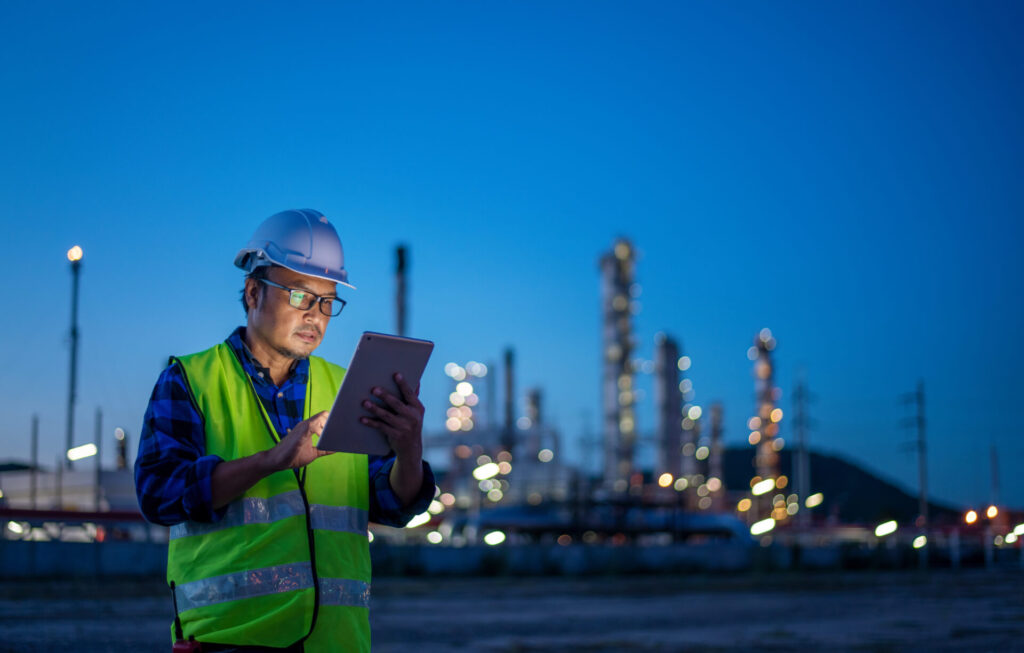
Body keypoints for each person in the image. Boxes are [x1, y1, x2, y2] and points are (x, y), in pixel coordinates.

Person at [135, 209, 435, 652]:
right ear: (254, 292)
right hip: (230, 641)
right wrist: (272, 460)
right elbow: (159, 494)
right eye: (300, 296)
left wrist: (409, 450)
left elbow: (391, 504)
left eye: (327, 301)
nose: (316, 315)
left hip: (337, 642)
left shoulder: (345, 389)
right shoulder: (191, 382)